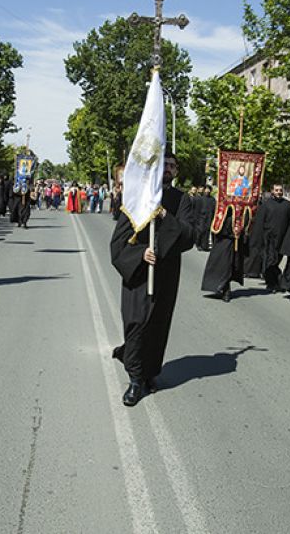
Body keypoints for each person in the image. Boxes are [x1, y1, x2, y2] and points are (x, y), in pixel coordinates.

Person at [111, 152, 195, 407]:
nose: (168, 168)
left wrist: (165, 216)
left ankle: (148, 372)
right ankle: (135, 379)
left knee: (158, 326)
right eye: (164, 164)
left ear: (176, 171)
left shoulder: (182, 200)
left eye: (172, 165)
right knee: (136, 323)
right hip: (138, 273)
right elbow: (118, 243)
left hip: (166, 273)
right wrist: (140, 254)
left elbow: (189, 236)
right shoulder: (138, 197)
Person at [201, 207, 248, 302]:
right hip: (225, 237)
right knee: (223, 264)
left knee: (226, 264)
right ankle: (224, 288)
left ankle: (225, 290)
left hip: (229, 238)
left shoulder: (237, 210)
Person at [257, 184, 290, 292]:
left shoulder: (287, 205)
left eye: (280, 190)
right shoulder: (266, 204)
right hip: (268, 239)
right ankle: (273, 283)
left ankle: (276, 282)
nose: (279, 192)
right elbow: (260, 222)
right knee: (270, 262)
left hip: (282, 239)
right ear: (272, 191)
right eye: (276, 190)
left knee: (276, 261)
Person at [197, 185, 216, 252]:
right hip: (201, 217)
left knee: (207, 232)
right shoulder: (201, 199)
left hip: (209, 217)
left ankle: (204, 246)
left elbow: (214, 209)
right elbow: (197, 209)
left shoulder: (212, 199)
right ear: (204, 190)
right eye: (206, 189)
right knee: (201, 231)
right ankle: (198, 244)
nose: (207, 191)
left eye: (209, 189)